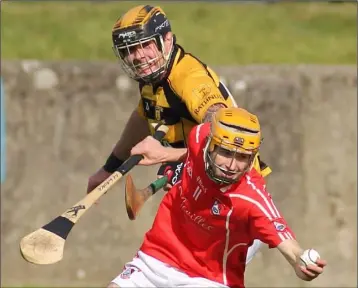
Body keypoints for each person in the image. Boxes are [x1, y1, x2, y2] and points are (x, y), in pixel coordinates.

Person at [107, 107, 326, 288]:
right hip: (156, 257)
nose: (231, 166)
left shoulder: (252, 200)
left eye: (242, 157)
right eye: (225, 152)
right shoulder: (198, 136)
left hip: (208, 278)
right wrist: (165, 155)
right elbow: (206, 122)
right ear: (210, 144)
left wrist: (299, 261)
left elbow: (287, 242)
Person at [86, 4, 271, 195]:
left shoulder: (189, 79)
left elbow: (228, 138)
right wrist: (108, 169)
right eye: (130, 49)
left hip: (235, 188)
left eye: (145, 45)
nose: (138, 56)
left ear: (167, 40)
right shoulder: (153, 77)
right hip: (207, 184)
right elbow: (142, 119)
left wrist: (166, 155)